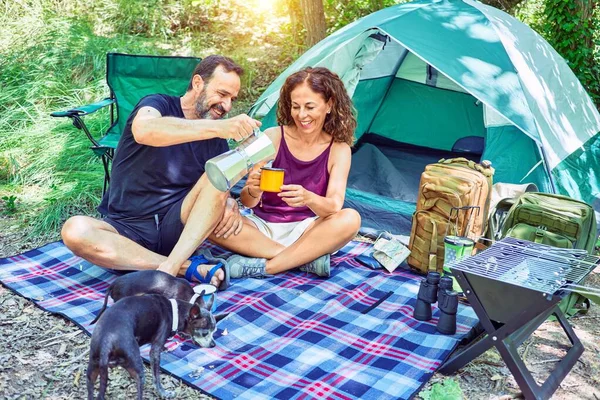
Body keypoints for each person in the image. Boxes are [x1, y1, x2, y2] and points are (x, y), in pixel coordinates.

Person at [61, 55, 261, 289]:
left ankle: (170, 267)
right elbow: (145, 130)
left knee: (216, 175)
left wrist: (229, 203)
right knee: (75, 230)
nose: (226, 106)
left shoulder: (217, 139)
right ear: (198, 83)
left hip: (176, 229)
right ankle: (183, 267)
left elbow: (211, 191)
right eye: (222, 94)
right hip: (126, 227)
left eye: (232, 99)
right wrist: (217, 128)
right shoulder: (158, 104)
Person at [209, 66, 361, 278]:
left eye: (310, 107)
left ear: (329, 105)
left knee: (350, 219)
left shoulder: (339, 149)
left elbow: (333, 206)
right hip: (261, 228)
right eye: (295, 106)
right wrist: (254, 191)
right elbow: (249, 202)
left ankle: (267, 267)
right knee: (210, 218)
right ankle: (301, 260)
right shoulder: (273, 137)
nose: (302, 115)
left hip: (308, 231)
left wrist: (308, 198)